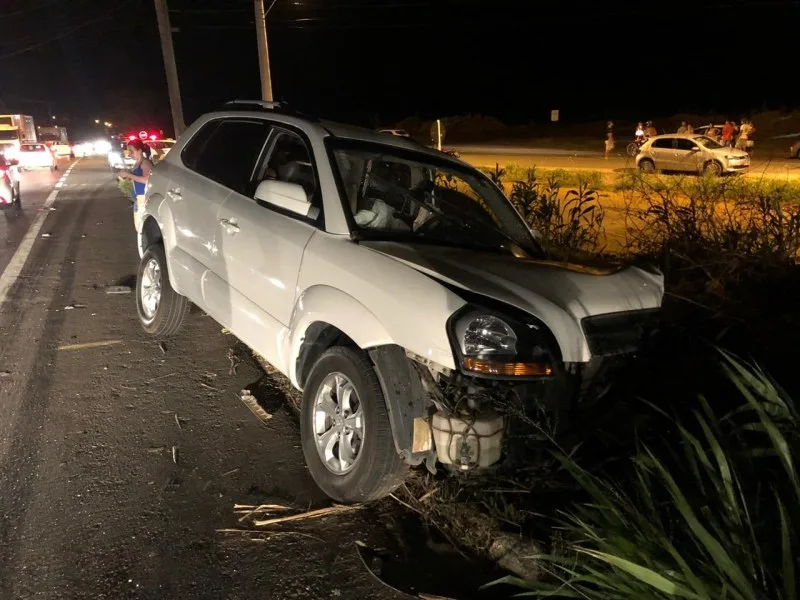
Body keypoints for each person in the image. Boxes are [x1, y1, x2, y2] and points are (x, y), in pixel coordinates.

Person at [117, 139, 153, 231]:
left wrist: (129, 175)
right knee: (139, 227)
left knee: (141, 228)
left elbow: (147, 180)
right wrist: (130, 177)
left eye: (131, 151)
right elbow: (138, 179)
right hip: (138, 199)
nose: (129, 154)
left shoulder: (145, 163)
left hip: (143, 199)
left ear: (139, 151)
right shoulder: (138, 163)